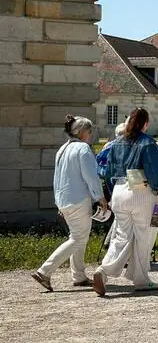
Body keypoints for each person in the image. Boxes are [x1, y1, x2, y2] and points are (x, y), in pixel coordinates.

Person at [93, 108, 158, 296]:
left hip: (119, 190)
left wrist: (112, 193)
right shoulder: (148, 144)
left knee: (121, 236)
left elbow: (107, 172)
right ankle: (141, 278)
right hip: (141, 192)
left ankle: (104, 270)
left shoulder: (116, 144)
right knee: (144, 236)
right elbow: (154, 171)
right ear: (145, 124)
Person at [31, 116, 107, 292]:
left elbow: (58, 177)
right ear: (82, 132)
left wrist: (58, 202)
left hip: (65, 199)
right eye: (89, 131)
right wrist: (100, 197)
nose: (90, 135)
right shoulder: (83, 149)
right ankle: (44, 271)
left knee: (79, 237)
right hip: (79, 199)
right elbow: (91, 176)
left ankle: (78, 275)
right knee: (78, 238)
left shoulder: (62, 149)